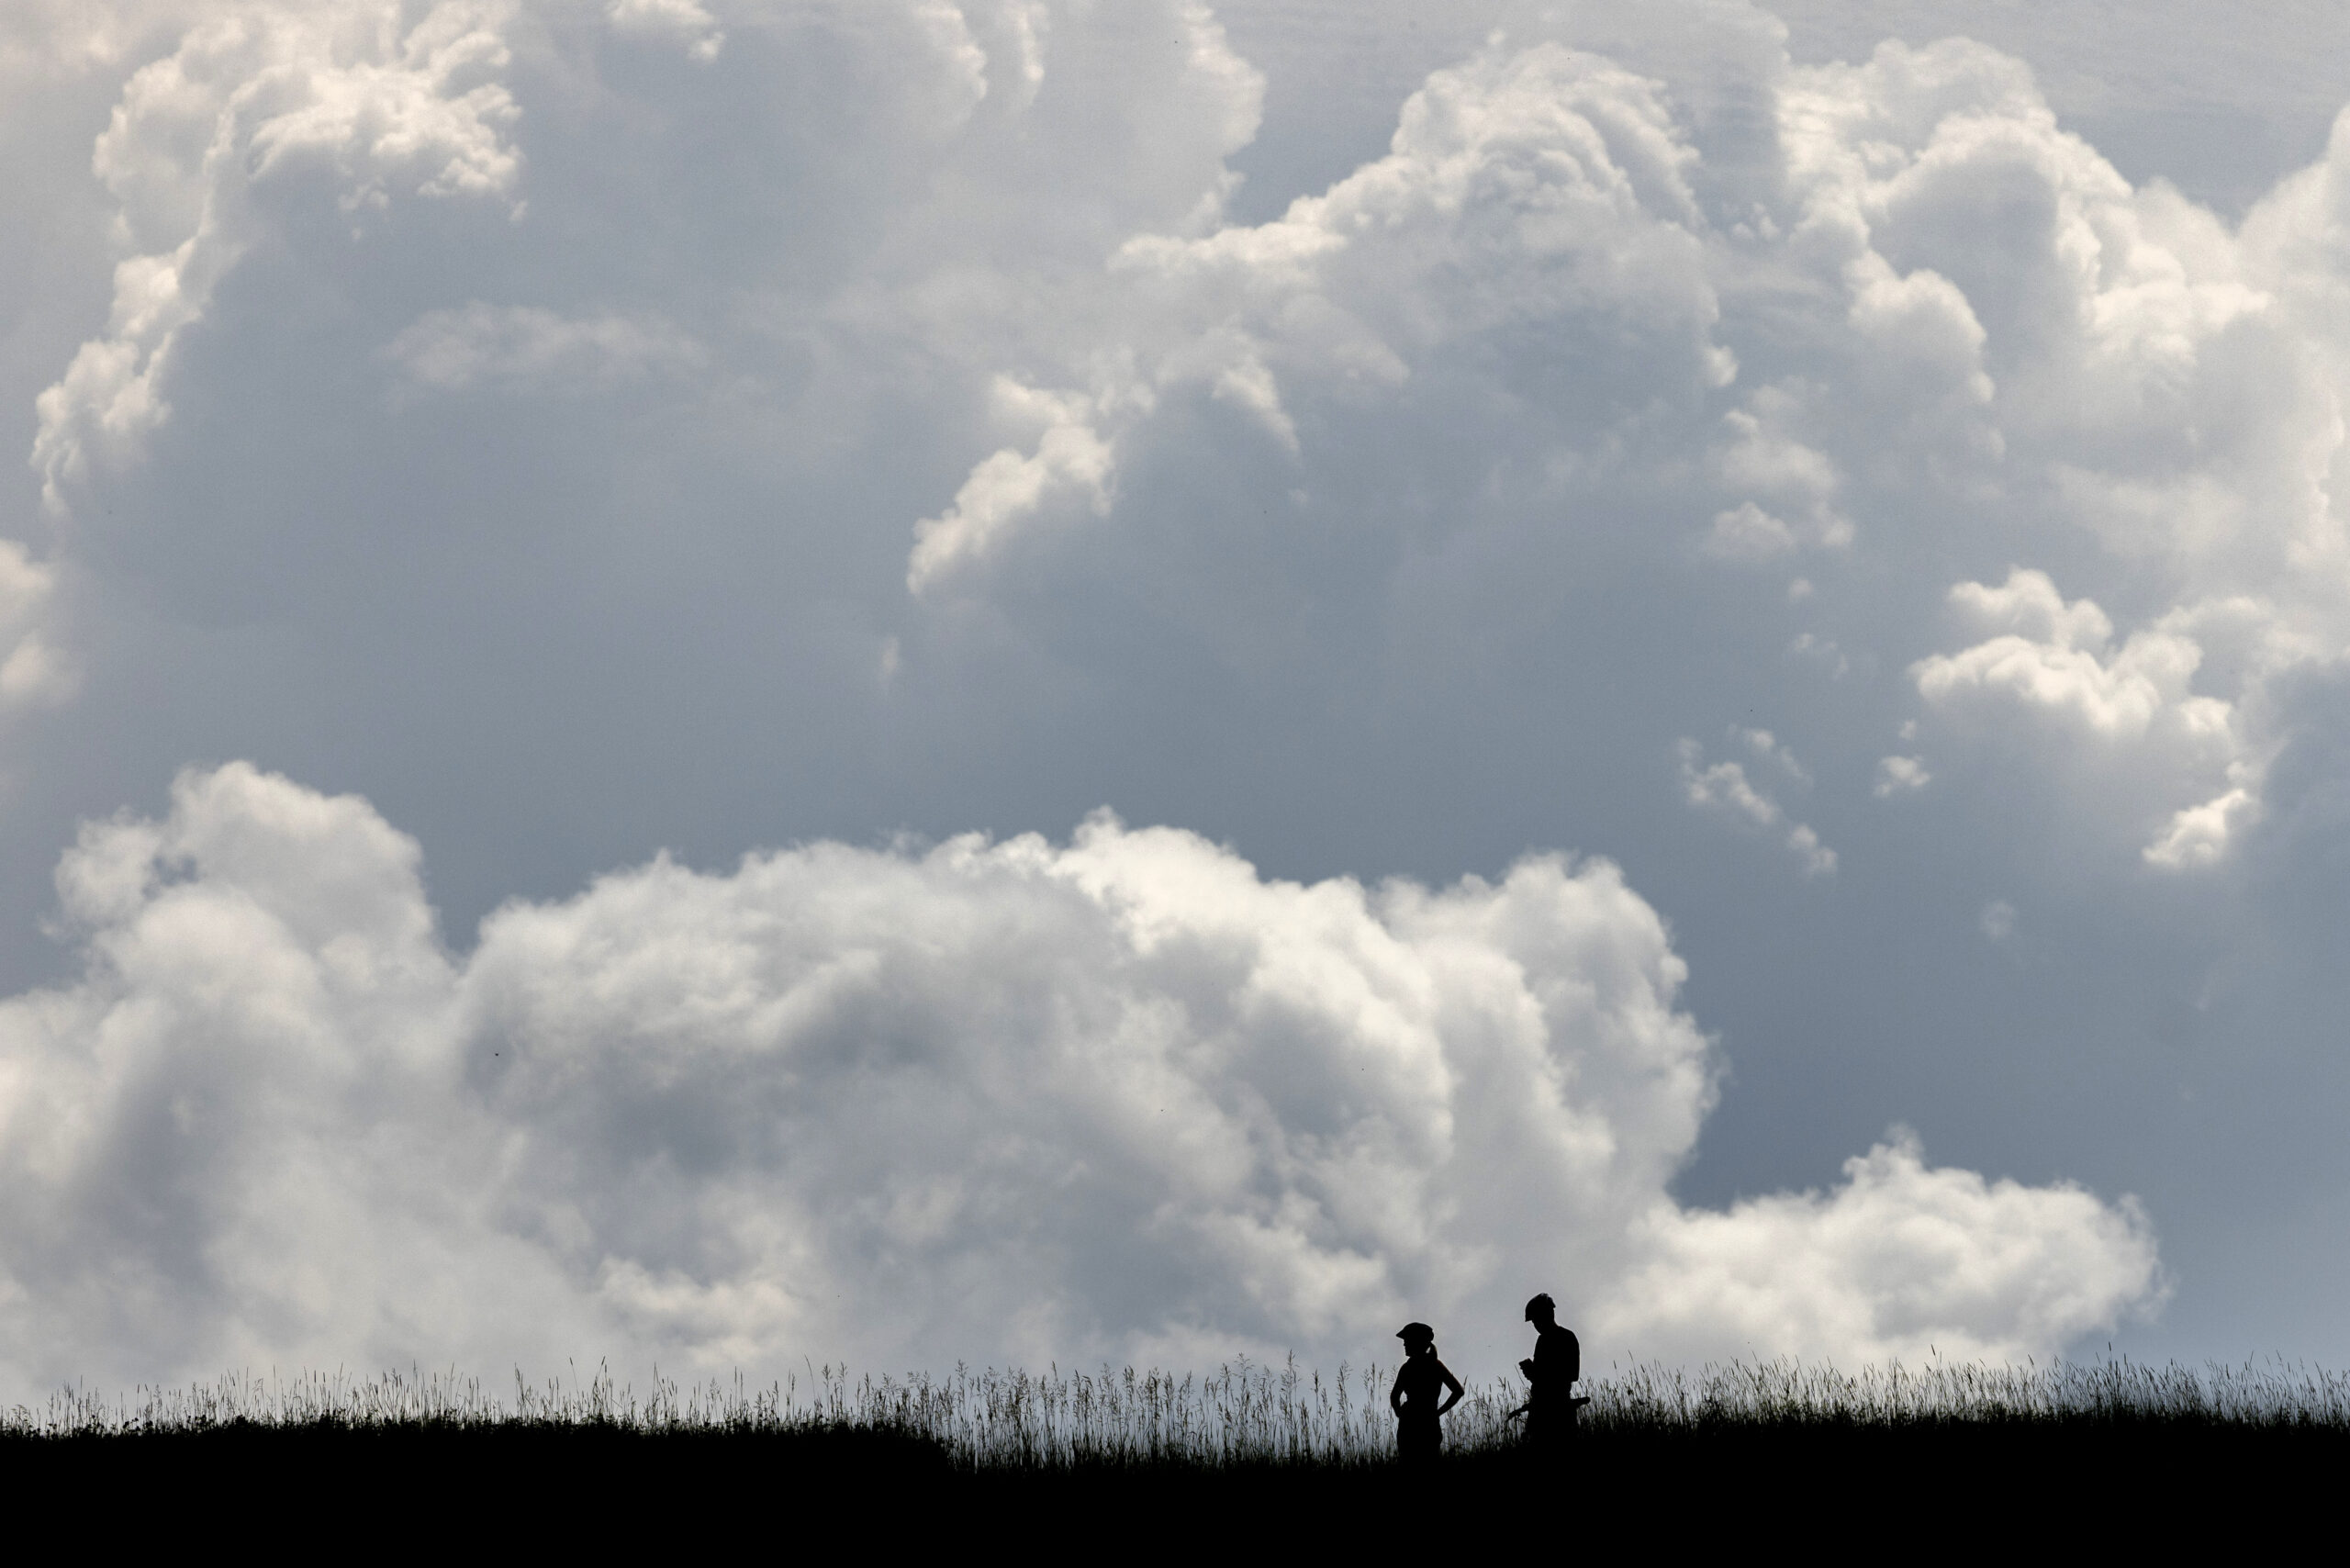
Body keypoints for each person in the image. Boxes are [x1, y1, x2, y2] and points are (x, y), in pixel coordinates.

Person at [1512, 1293, 1583, 1450]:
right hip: (1539, 1411)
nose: (1536, 1325)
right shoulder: (1542, 1341)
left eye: (1537, 1319)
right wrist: (1533, 1374)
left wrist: (1538, 1374)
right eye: (1534, 1321)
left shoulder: (1567, 1337)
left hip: (1559, 1411)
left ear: (1548, 1314)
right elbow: (1541, 1378)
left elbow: (1572, 1374)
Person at [1389, 1321, 1465, 1462]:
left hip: (1410, 1425)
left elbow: (1394, 1397)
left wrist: (1401, 1414)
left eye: (1407, 1340)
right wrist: (1437, 1412)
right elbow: (1458, 1391)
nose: (1404, 1344)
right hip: (1428, 1422)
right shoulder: (1435, 1365)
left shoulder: (1407, 1368)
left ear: (1417, 1341)